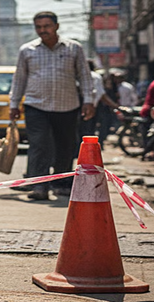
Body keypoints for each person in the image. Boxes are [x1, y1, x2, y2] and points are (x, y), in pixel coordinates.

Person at [9, 12, 95, 201]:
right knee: (39, 144)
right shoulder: (27, 50)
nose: (42, 30)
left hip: (67, 106)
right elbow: (19, 79)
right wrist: (14, 104)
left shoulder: (74, 48)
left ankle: (61, 183)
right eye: (38, 27)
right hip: (36, 105)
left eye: (46, 26)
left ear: (56, 26)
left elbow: (84, 76)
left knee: (65, 145)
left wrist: (88, 100)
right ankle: (39, 185)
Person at [77, 60, 117, 156]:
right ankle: (88, 152)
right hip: (92, 106)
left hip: (76, 107)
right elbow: (100, 94)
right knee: (89, 130)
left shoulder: (76, 75)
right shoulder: (95, 76)